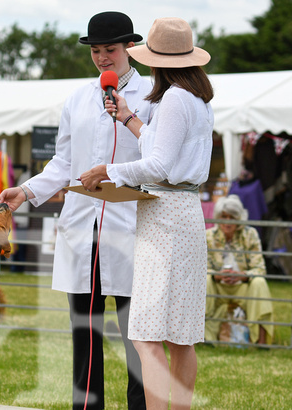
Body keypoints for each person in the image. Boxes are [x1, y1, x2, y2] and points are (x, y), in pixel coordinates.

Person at [0, 11, 151, 409]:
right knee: (85, 327)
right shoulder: (78, 99)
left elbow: (158, 158)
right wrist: (26, 191)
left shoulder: (152, 95)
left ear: (129, 47)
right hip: (83, 225)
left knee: (137, 331)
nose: (102, 57)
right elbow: (63, 163)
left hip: (132, 224)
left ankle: (142, 405)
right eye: (96, 50)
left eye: (109, 49)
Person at [78, 17, 213, 409]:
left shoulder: (173, 98)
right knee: (180, 335)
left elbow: (159, 166)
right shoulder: (197, 98)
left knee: (147, 335)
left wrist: (109, 170)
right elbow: (164, 149)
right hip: (186, 211)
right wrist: (129, 117)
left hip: (165, 216)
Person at [204, 195, 274, 345]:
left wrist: (242, 276)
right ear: (218, 217)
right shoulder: (208, 236)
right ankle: (204, 339)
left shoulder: (250, 234)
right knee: (205, 281)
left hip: (243, 288)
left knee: (260, 283)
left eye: (232, 217)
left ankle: (261, 342)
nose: (227, 221)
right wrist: (217, 276)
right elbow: (202, 269)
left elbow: (260, 269)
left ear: (239, 219)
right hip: (217, 288)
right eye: (224, 217)